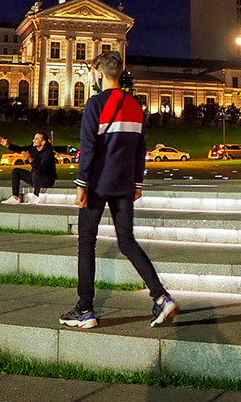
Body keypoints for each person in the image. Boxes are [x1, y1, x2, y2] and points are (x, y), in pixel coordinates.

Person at [60, 50, 178, 330]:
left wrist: (81, 184)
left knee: (86, 242)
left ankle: (85, 309)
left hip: (98, 184)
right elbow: (141, 148)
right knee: (127, 241)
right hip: (125, 184)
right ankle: (160, 296)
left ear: (99, 73)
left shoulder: (95, 104)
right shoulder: (135, 105)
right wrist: (137, 182)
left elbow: (88, 148)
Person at [0, 131, 57, 204]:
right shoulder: (33, 148)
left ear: (43, 142)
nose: (33, 140)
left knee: (36, 172)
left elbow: (40, 169)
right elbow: (20, 149)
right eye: (34, 138)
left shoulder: (48, 153)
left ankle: (36, 196)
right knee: (16, 171)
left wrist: (30, 159)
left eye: (36, 139)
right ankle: (15, 197)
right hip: (35, 178)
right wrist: (7, 145)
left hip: (47, 180)